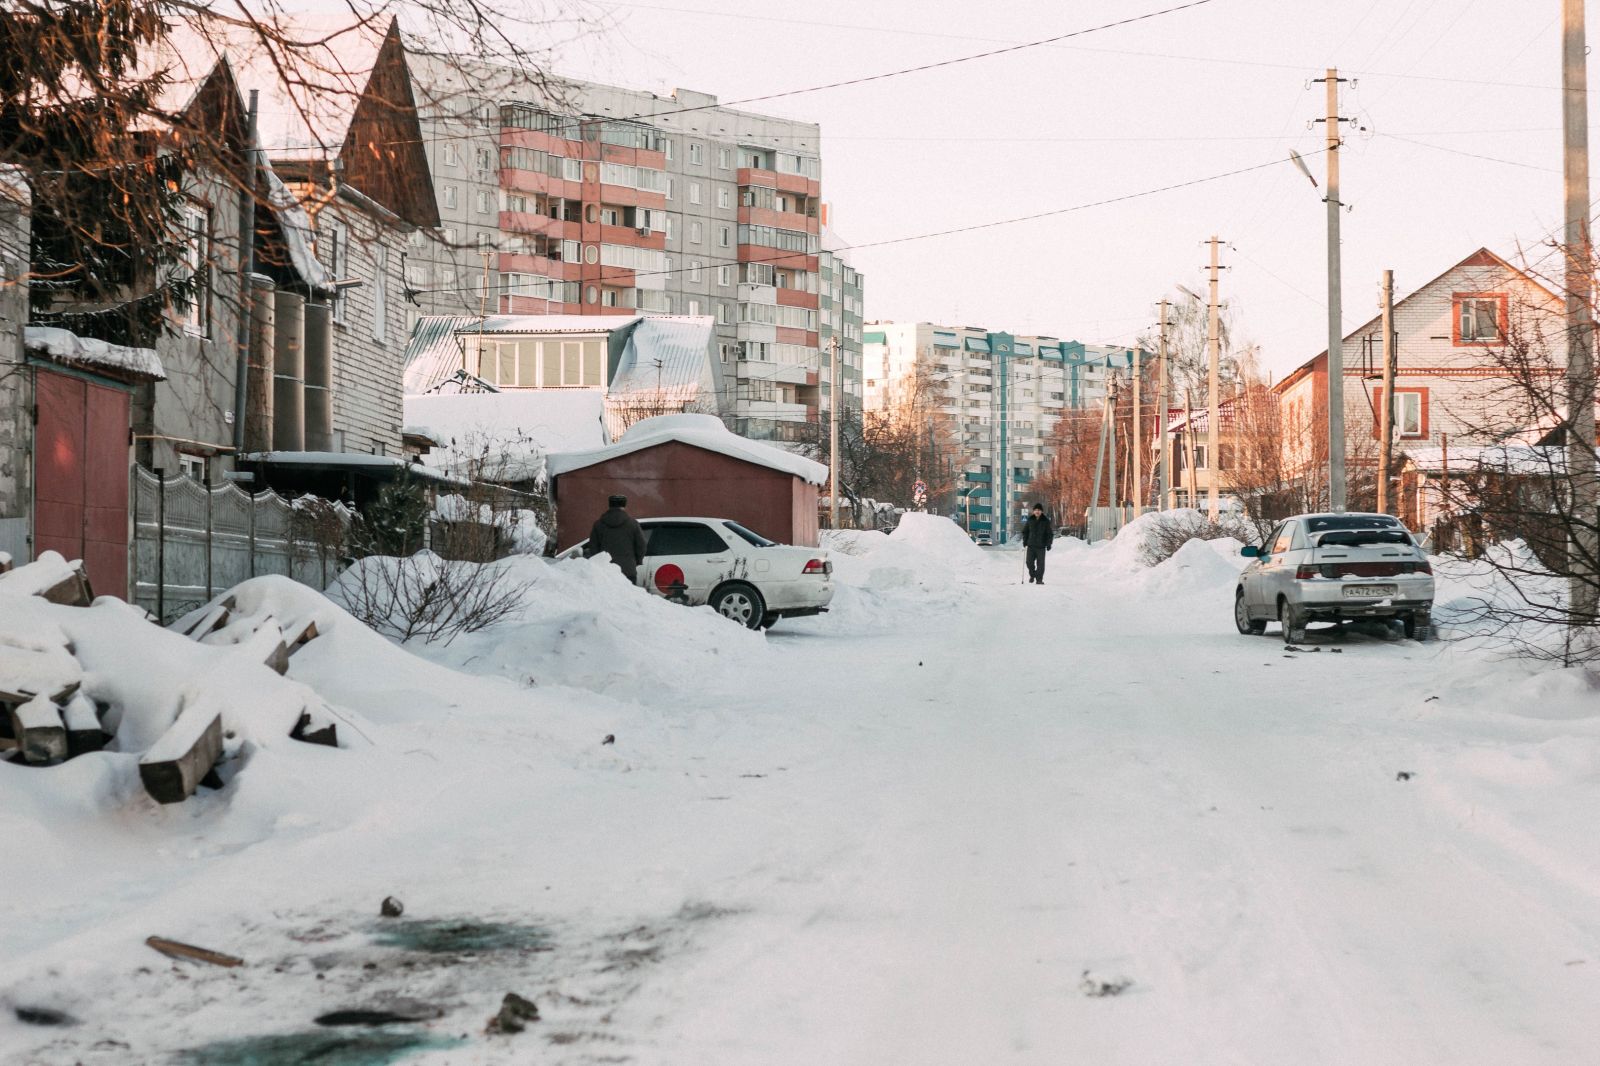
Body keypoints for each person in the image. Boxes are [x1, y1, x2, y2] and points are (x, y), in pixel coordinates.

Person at [583, 494, 647, 583]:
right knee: (628, 596)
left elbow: (593, 546)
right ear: (624, 505)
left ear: (609, 505)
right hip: (628, 569)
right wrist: (636, 561)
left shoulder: (598, 524)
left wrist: (598, 563)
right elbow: (641, 546)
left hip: (605, 571)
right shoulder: (633, 524)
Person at [1022, 502, 1053, 584]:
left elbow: (1049, 534)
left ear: (1041, 511)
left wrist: (1049, 544)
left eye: (1039, 510)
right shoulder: (1030, 520)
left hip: (1041, 546)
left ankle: (1039, 579)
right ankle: (1032, 575)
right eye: (1035, 510)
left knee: (1041, 565)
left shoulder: (1045, 521)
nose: (1037, 511)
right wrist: (1025, 541)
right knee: (1029, 562)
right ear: (1033, 511)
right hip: (1031, 545)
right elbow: (1025, 531)